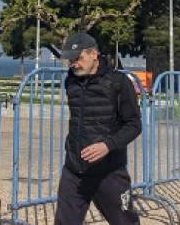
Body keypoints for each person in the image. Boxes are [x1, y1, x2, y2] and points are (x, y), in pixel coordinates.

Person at [55, 32, 142, 225]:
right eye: (70, 60)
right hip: (74, 170)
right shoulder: (71, 81)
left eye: (77, 58)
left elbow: (134, 125)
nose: (73, 64)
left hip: (109, 172)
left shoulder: (119, 82)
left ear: (93, 54)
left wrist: (107, 145)